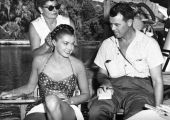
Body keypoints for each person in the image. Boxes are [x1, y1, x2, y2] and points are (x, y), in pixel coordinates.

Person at [88, 2, 164, 120]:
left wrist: (158, 109)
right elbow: (101, 73)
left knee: (137, 116)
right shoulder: (107, 44)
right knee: (95, 111)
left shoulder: (149, 44)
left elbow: (157, 80)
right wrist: (105, 81)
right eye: (111, 24)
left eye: (117, 25)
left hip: (140, 91)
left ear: (129, 22)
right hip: (113, 89)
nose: (113, 28)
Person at [0, 24, 90, 120]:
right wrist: (11, 92)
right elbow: (29, 88)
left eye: (72, 43)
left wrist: (70, 100)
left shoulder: (77, 65)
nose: (70, 48)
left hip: (67, 107)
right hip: (42, 107)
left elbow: (86, 94)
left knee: (51, 100)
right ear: (54, 42)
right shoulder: (39, 61)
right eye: (66, 43)